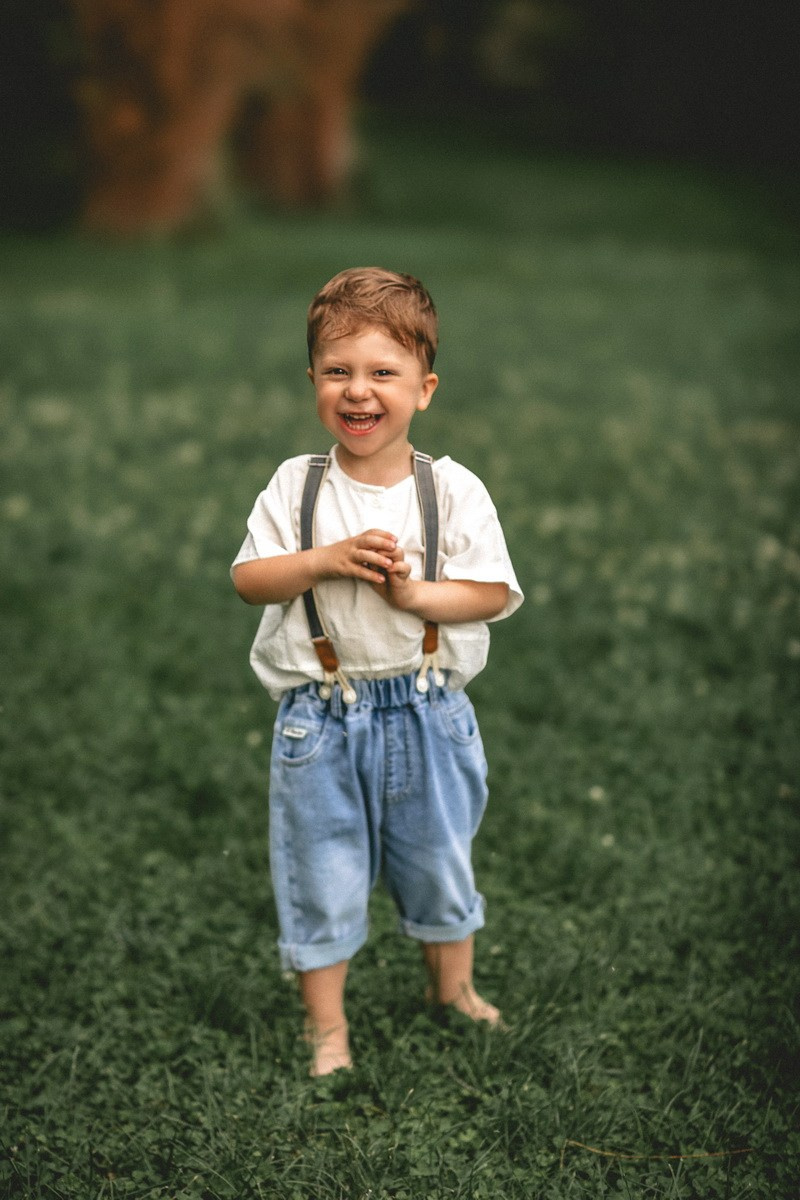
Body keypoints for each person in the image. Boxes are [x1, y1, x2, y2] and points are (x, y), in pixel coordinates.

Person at [232, 267, 523, 1075]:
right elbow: (249, 578)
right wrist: (323, 560)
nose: (358, 392)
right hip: (319, 719)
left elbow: (495, 591)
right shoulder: (299, 486)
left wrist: (415, 589)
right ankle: (327, 1029)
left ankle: (452, 990)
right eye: (338, 372)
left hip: (428, 712)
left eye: (382, 373)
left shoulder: (451, 490)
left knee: (440, 859)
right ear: (314, 381)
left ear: (424, 389)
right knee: (322, 869)